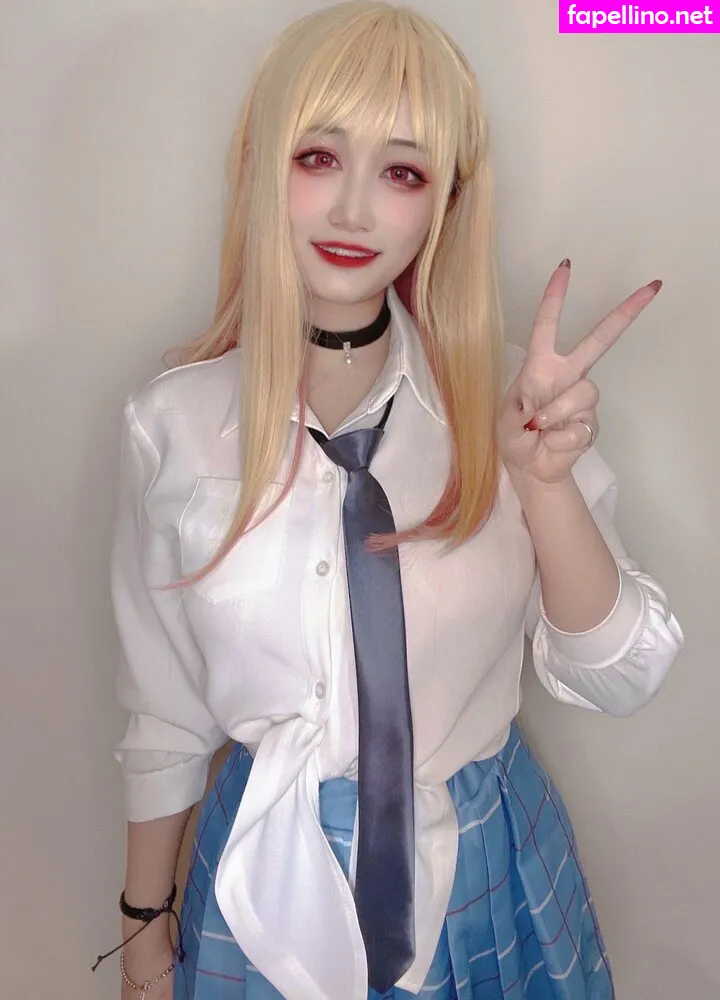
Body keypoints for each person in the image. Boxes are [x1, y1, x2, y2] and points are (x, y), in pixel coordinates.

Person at [105, 3, 684, 999]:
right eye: (319, 157)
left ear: (445, 203)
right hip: (259, 884)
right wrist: (143, 930)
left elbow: (623, 676)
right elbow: (164, 710)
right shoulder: (172, 424)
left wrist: (543, 484)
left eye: (403, 173)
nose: (354, 210)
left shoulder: (514, 404)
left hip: (487, 868)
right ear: (262, 166)